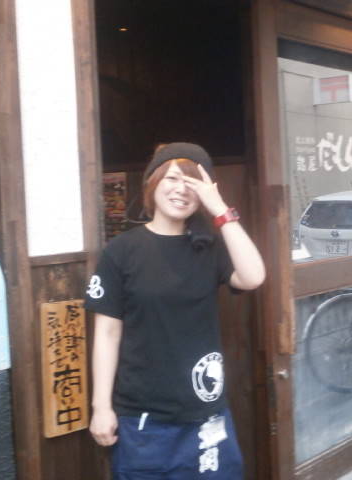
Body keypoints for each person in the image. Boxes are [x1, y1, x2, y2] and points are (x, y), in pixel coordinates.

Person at [84, 142, 265, 479]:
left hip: (206, 416)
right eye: (172, 178)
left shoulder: (208, 247)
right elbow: (107, 334)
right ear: (152, 183)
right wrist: (101, 407)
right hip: (142, 418)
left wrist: (219, 209)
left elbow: (253, 277)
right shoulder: (121, 251)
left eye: (192, 183)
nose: (181, 189)